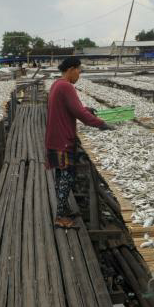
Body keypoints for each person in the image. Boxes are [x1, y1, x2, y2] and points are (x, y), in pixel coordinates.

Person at [45, 57, 114, 228]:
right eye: (79, 70)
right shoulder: (66, 86)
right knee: (67, 176)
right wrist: (101, 124)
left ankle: (64, 209)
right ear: (71, 69)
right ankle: (60, 217)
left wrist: (87, 110)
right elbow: (78, 113)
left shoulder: (57, 84)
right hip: (62, 140)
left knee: (61, 175)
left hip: (54, 137)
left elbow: (72, 108)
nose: (79, 74)